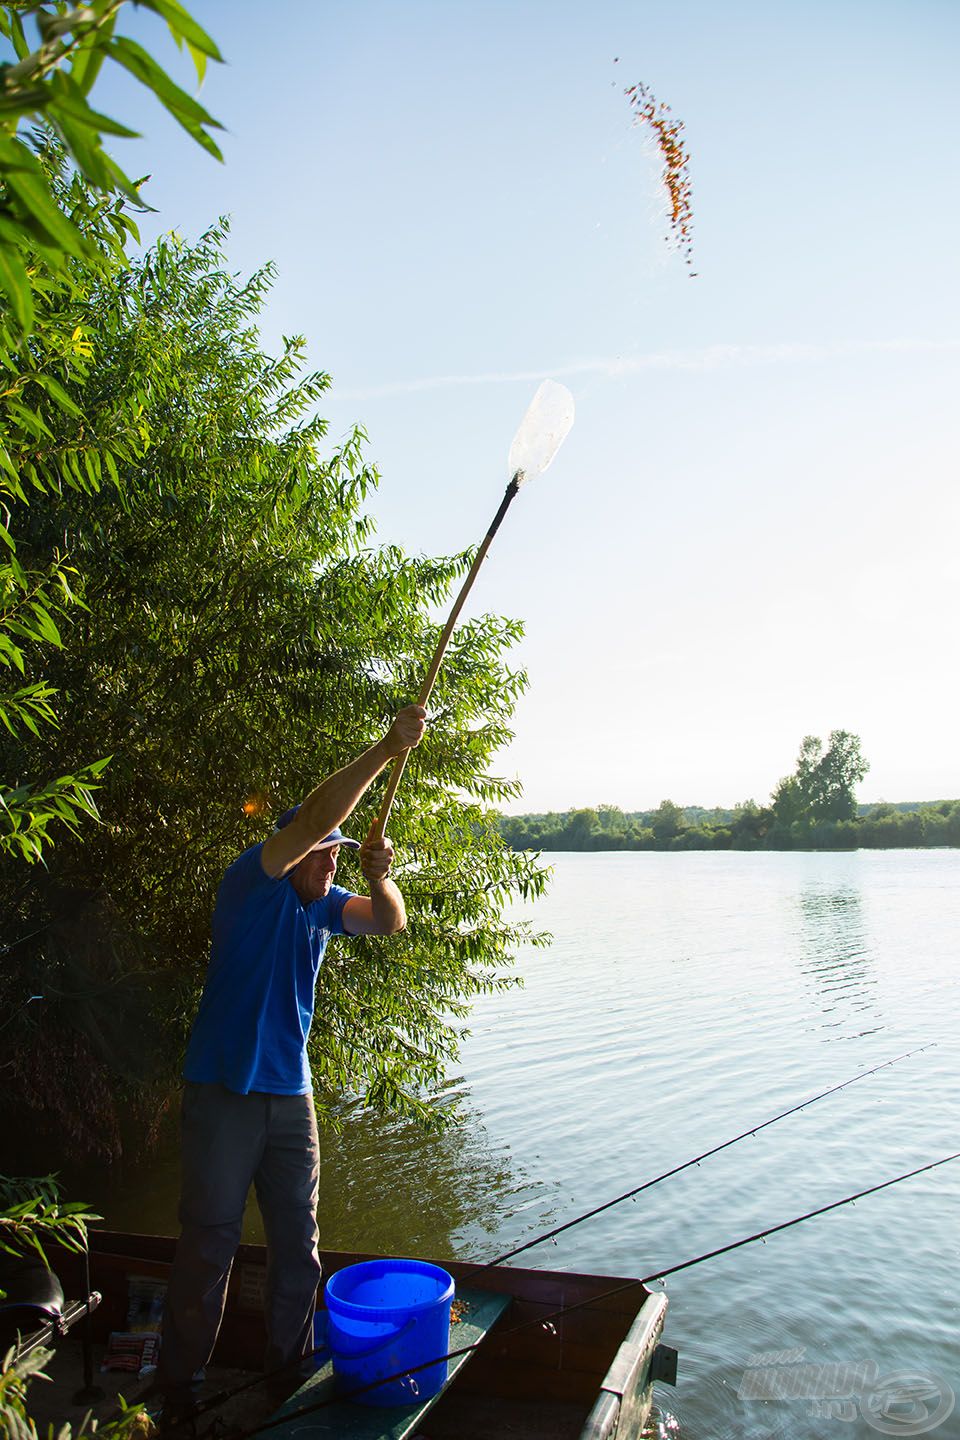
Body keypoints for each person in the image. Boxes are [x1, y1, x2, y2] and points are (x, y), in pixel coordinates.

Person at [155, 704, 427, 1416]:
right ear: (293, 852)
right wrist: (385, 747)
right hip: (221, 1093)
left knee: (298, 1250)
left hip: (289, 1098)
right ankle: (178, 1389)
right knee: (209, 1245)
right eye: (328, 854)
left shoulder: (322, 903)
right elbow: (312, 819)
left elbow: (390, 919)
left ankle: (285, 1378)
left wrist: (376, 876)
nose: (332, 860)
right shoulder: (253, 883)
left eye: (339, 854)